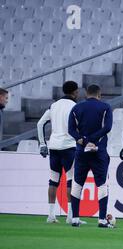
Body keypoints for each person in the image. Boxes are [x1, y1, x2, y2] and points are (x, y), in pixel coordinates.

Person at [37, 81, 86, 224]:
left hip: (54, 146)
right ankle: (70, 216)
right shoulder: (75, 107)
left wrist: (42, 144)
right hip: (69, 146)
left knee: (53, 180)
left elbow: (40, 123)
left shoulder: (54, 106)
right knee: (71, 180)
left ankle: (51, 215)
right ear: (75, 92)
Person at [68, 84, 113, 228]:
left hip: (81, 151)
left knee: (77, 183)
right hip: (99, 151)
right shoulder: (105, 107)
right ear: (99, 95)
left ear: (86, 94)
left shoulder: (76, 108)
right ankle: (101, 220)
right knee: (102, 184)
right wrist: (93, 140)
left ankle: (75, 218)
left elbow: (71, 129)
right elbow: (107, 127)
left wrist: (83, 140)